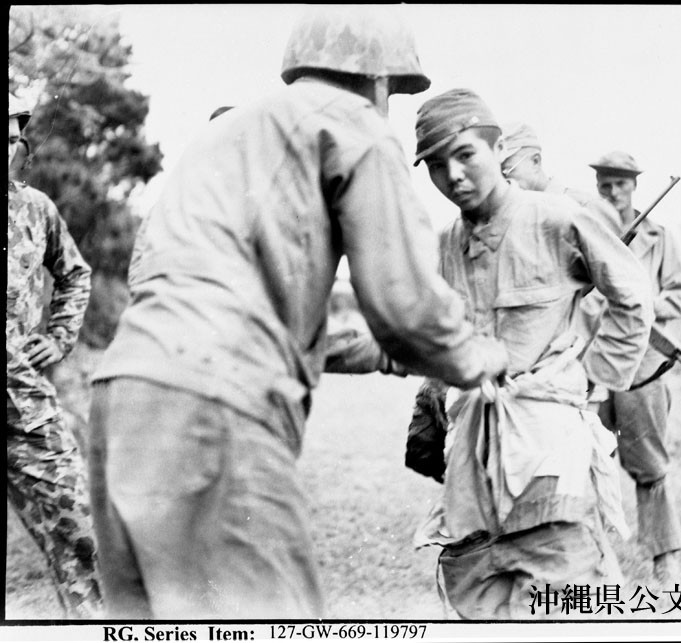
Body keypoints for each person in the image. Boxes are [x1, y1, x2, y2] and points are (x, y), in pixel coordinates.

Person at [87, 7, 508, 620]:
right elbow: (405, 306)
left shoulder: (224, 136)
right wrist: (476, 356)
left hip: (123, 398)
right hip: (218, 410)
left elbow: (209, 303)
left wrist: (383, 355)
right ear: (380, 79)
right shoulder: (353, 127)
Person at [409, 88, 654, 620]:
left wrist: (597, 378)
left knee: (563, 587)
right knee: (475, 583)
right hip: (473, 449)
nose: (453, 175)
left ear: (497, 150)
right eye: (436, 164)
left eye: (466, 154)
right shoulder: (445, 243)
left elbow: (632, 294)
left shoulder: (556, 219)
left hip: (546, 443)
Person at [7, 92, 103, 618]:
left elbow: (75, 273)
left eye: (11, 139)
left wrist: (60, 336)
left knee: (82, 530)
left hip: (23, 402)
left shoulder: (34, 208)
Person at [587, 150, 681, 585]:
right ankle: (591, 561)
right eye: (605, 185)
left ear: (635, 187)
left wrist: (642, 304)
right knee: (585, 461)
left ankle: (664, 559)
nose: (613, 193)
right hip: (591, 367)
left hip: (643, 369)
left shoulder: (659, 237)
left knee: (649, 465)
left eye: (621, 184)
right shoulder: (582, 229)